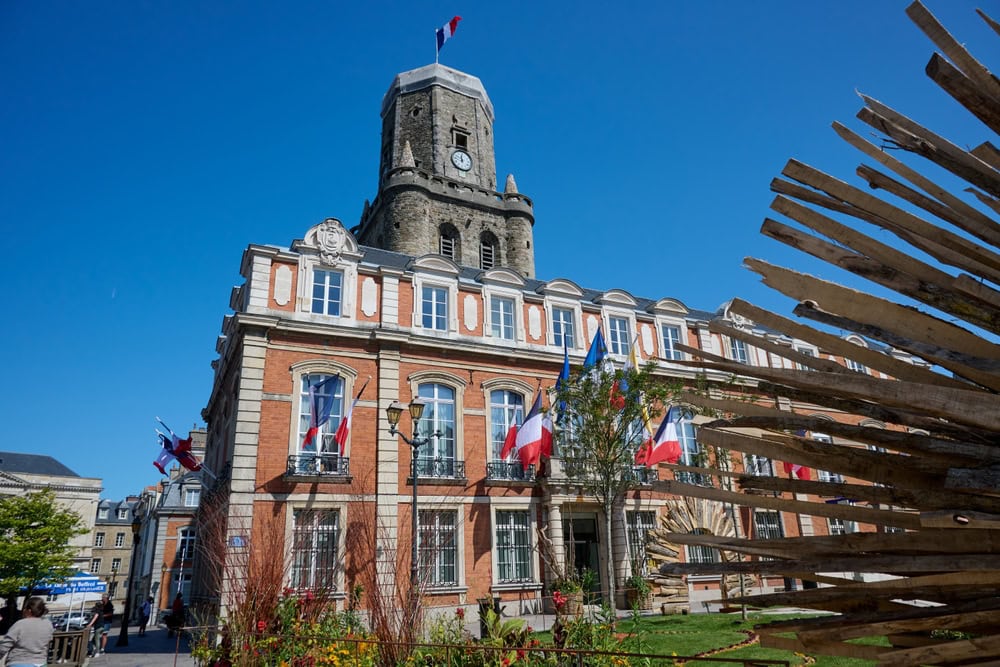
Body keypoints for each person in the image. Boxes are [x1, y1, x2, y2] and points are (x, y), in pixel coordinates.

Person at [0, 596, 54, 667]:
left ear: (29, 610)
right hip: (41, 662)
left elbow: (5, 645)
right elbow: (48, 641)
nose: (23, 610)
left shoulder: (21, 624)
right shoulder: (48, 624)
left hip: (20, 662)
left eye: (25, 608)